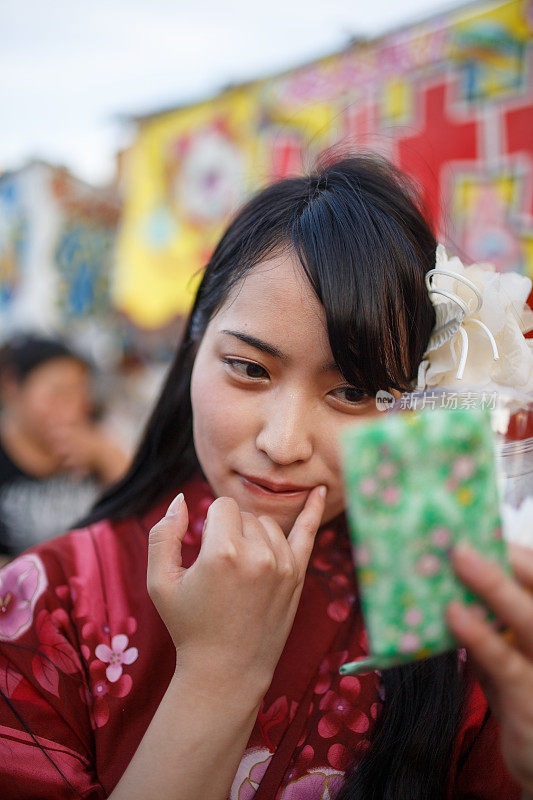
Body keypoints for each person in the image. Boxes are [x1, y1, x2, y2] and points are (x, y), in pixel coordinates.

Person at [0, 154, 532, 800]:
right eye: (249, 369)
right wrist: (216, 677)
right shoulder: (41, 603)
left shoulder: (449, 607)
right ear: (194, 348)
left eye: (354, 391)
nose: (281, 444)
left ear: (415, 401)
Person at [0, 334, 130, 561]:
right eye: (58, 393)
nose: (74, 409)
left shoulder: (96, 443)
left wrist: (107, 457)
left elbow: (142, 515)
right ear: (11, 388)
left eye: (81, 393)